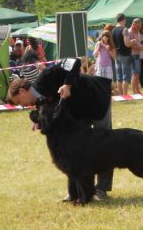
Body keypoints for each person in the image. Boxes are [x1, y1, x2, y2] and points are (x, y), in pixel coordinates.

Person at [8, 58, 113, 201]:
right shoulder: (39, 103)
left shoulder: (46, 75)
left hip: (96, 99)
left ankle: (102, 188)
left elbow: (74, 62)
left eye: (20, 102)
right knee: (74, 151)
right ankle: (75, 192)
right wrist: (41, 122)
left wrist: (67, 85)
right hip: (79, 113)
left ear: (22, 90)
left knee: (104, 145)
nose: (23, 106)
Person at [112, 13, 134, 95]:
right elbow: (127, 44)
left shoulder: (113, 30)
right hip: (125, 55)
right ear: (123, 19)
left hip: (117, 55)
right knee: (125, 77)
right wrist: (133, 42)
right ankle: (125, 95)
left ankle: (121, 96)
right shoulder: (124, 29)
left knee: (119, 77)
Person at [128, 18, 143, 94]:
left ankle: (137, 90)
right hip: (132, 55)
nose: (139, 28)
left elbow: (137, 43)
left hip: (137, 54)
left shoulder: (137, 32)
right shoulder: (129, 32)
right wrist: (140, 47)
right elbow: (128, 45)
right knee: (135, 74)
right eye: (138, 26)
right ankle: (134, 91)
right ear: (134, 24)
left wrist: (142, 47)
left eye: (140, 26)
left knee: (137, 74)